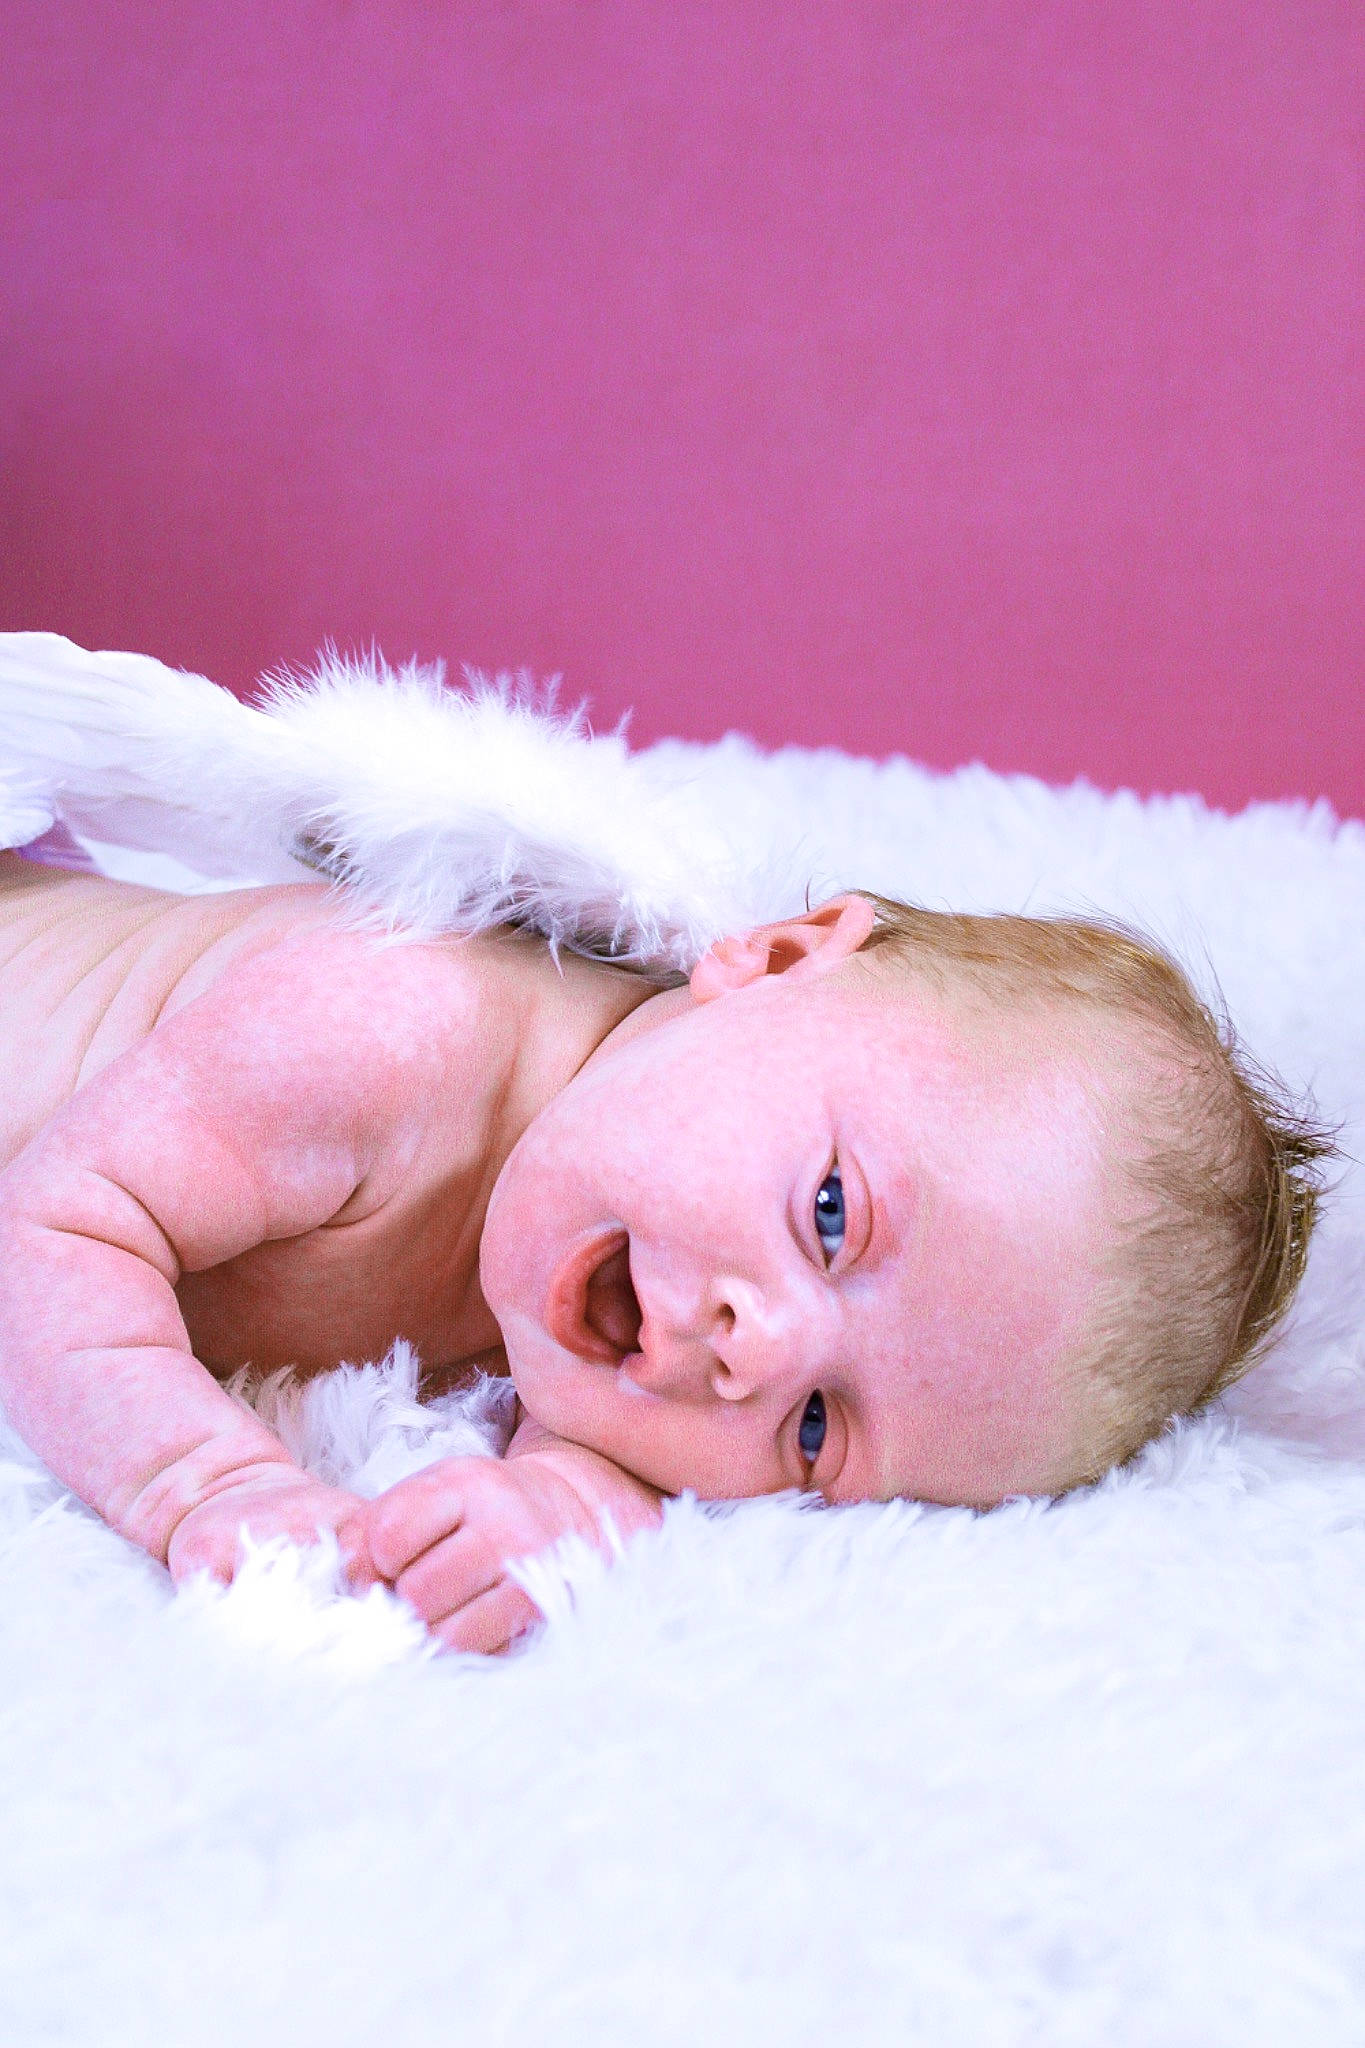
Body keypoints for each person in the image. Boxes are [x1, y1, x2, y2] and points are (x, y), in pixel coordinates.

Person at [0, 848, 1333, 1652]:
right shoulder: (385, 1028)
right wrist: (203, 1486)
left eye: (818, 1431)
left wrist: (552, 1512)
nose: (759, 1355)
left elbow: (590, 1450)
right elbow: (55, 1223)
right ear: (770, 959)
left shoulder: (621, 1243)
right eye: (830, 1216)